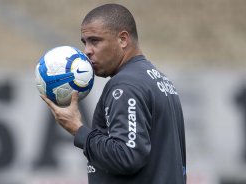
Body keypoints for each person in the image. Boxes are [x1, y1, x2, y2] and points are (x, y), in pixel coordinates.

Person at [41, 3, 186, 184]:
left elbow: (127, 156)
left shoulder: (125, 85)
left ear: (123, 39)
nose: (87, 51)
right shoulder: (159, 79)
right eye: (84, 42)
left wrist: (78, 129)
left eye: (95, 41)